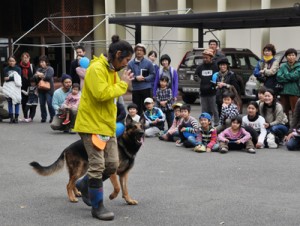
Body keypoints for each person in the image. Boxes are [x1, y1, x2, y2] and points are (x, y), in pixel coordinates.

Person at [74, 34, 134, 221]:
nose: (127, 63)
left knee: (112, 165)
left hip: (107, 126)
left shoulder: (113, 71)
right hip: (91, 125)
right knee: (98, 165)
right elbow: (102, 94)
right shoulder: (96, 69)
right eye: (126, 59)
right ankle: (97, 206)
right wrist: (123, 84)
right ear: (117, 54)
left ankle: (84, 185)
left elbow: (115, 98)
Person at [128, 43, 155, 115]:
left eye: (141, 50)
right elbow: (128, 75)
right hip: (136, 89)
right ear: (135, 51)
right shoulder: (130, 63)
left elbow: (153, 74)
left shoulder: (149, 63)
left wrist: (145, 78)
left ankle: (149, 122)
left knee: (147, 107)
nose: (139, 52)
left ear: (144, 52)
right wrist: (136, 78)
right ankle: (137, 124)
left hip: (146, 88)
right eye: (137, 50)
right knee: (136, 108)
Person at [194, 48, 219, 125]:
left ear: (211, 58)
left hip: (213, 92)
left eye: (206, 58)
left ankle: (216, 124)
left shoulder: (215, 67)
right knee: (204, 110)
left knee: (214, 109)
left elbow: (219, 77)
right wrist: (197, 79)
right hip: (203, 92)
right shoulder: (200, 67)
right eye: (203, 58)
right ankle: (206, 124)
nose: (205, 59)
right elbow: (196, 76)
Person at [277, 48, 300, 121]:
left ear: (296, 56)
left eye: (293, 55)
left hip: (294, 91)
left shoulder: (299, 66)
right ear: (286, 57)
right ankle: (286, 125)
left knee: (295, 111)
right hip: (283, 91)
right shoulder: (283, 66)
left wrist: (285, 75)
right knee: (284, 111)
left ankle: (295, 127)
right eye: (289, 55)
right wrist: (289, 76)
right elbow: (278, 77)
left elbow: (295, 77)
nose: (291, 57)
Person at [35, 55, 55, 123]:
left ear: (46, 62)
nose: (42, 63)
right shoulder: (38, 69)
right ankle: (43, 117)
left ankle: (53, 117)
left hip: (49, 89)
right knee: (42, 104)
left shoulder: (50, 69)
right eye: (40, 62)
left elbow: (48, 77)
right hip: (41, 89)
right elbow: (36, 78)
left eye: (43, 62)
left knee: (50, 103)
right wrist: (40, 75)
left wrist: (40, 75)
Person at [2, 56, 22, 123]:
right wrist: (11, 78)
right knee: (10, 102)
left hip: (16, 87)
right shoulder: (5, 69)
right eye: (10, 61)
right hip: (8, 87)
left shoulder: (18, 69)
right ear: (8, 62)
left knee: (17, 102)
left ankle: (16, 118)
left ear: (15, 62)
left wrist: (9, 78)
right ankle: (11, 118)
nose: (11, 62)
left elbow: (18, 78)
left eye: (13, 61)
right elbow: (5, 79)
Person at [19, 52, 35, 119]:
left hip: (31, 87)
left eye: (27, 57)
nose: (25, 59)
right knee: (24, 102)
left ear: (29, 58)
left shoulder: (32, 66)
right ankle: (25, 116)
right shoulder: (18, 67)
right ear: (21, 58)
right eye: (24, 57)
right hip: (22, 87)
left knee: (31, 101)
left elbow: (35, 76)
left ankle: (31, 116)